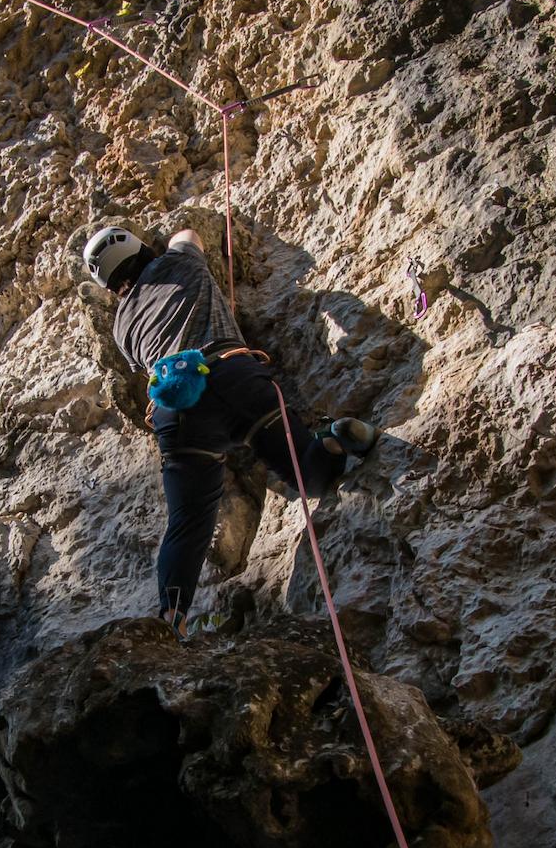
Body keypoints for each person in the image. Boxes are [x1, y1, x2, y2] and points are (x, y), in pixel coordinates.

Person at [83, 224, 377, 635]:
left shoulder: (121, 327)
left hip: (178, 412)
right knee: (305, 476)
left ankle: (171, 618)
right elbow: (189, 234)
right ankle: (334, 439)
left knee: (187, 521)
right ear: (139, 249)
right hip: (232, 373)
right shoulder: (179, 261)